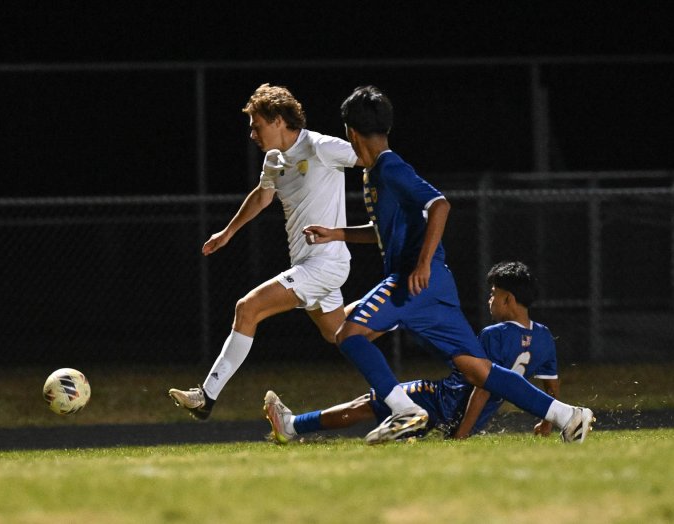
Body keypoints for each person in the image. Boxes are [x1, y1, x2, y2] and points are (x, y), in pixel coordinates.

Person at [298, 85, 594, 444]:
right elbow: (384, 231)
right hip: (434, 284)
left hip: (413, 280)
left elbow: (439, 204)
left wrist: (421, 264)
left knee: (347, 333)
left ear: (351, 131)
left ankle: (404, 410)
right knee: (478, 370)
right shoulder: (375, 172)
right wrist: (336, 234)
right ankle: (568, 415)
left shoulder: (390, 167)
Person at [168, 83, 359, 419]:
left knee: (248, 308)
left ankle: (206, 396)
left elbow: (371, 157)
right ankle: (400, 305)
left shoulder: (321, 147)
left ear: (278, 120)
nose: (252, 133)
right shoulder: (275, 159)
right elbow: (262, 195)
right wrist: (228, 233)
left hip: (325, 264)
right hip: (308, 263)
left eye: (257, 125)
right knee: (338, 332)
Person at [264, 261, 561, 443]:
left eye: (493, 294)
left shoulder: (495, 334)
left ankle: (292, 426)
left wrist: (461, 435)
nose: (490, 300)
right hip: (464, 416)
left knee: (367, 403)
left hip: (442, 401)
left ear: (508, 298)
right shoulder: (545, 337)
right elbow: (551, 385)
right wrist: (547, 422)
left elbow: (482, 386)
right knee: (376, 409)